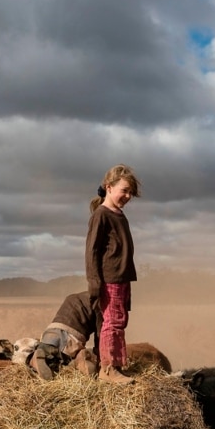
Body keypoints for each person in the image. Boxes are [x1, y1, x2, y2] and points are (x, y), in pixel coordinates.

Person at [85, 164, 141, 384]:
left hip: (122, 277)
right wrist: (94, 282)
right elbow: (91, 251)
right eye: (124, 190)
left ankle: (115, 365)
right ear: (109, 187)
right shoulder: (101, 215)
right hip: (110, 278)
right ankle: (108, 370)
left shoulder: (119, 214)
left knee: (120, 320)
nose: (127, 196)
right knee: (113, 322)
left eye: (130, 193)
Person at [31, 290, 98, 380]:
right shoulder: (109, 304)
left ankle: (39, 356)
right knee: (61, 360)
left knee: (49, 349)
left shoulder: (81, 296)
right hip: (73, 336)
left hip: (53, 329)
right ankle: (78, 361)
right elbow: (104, 335)